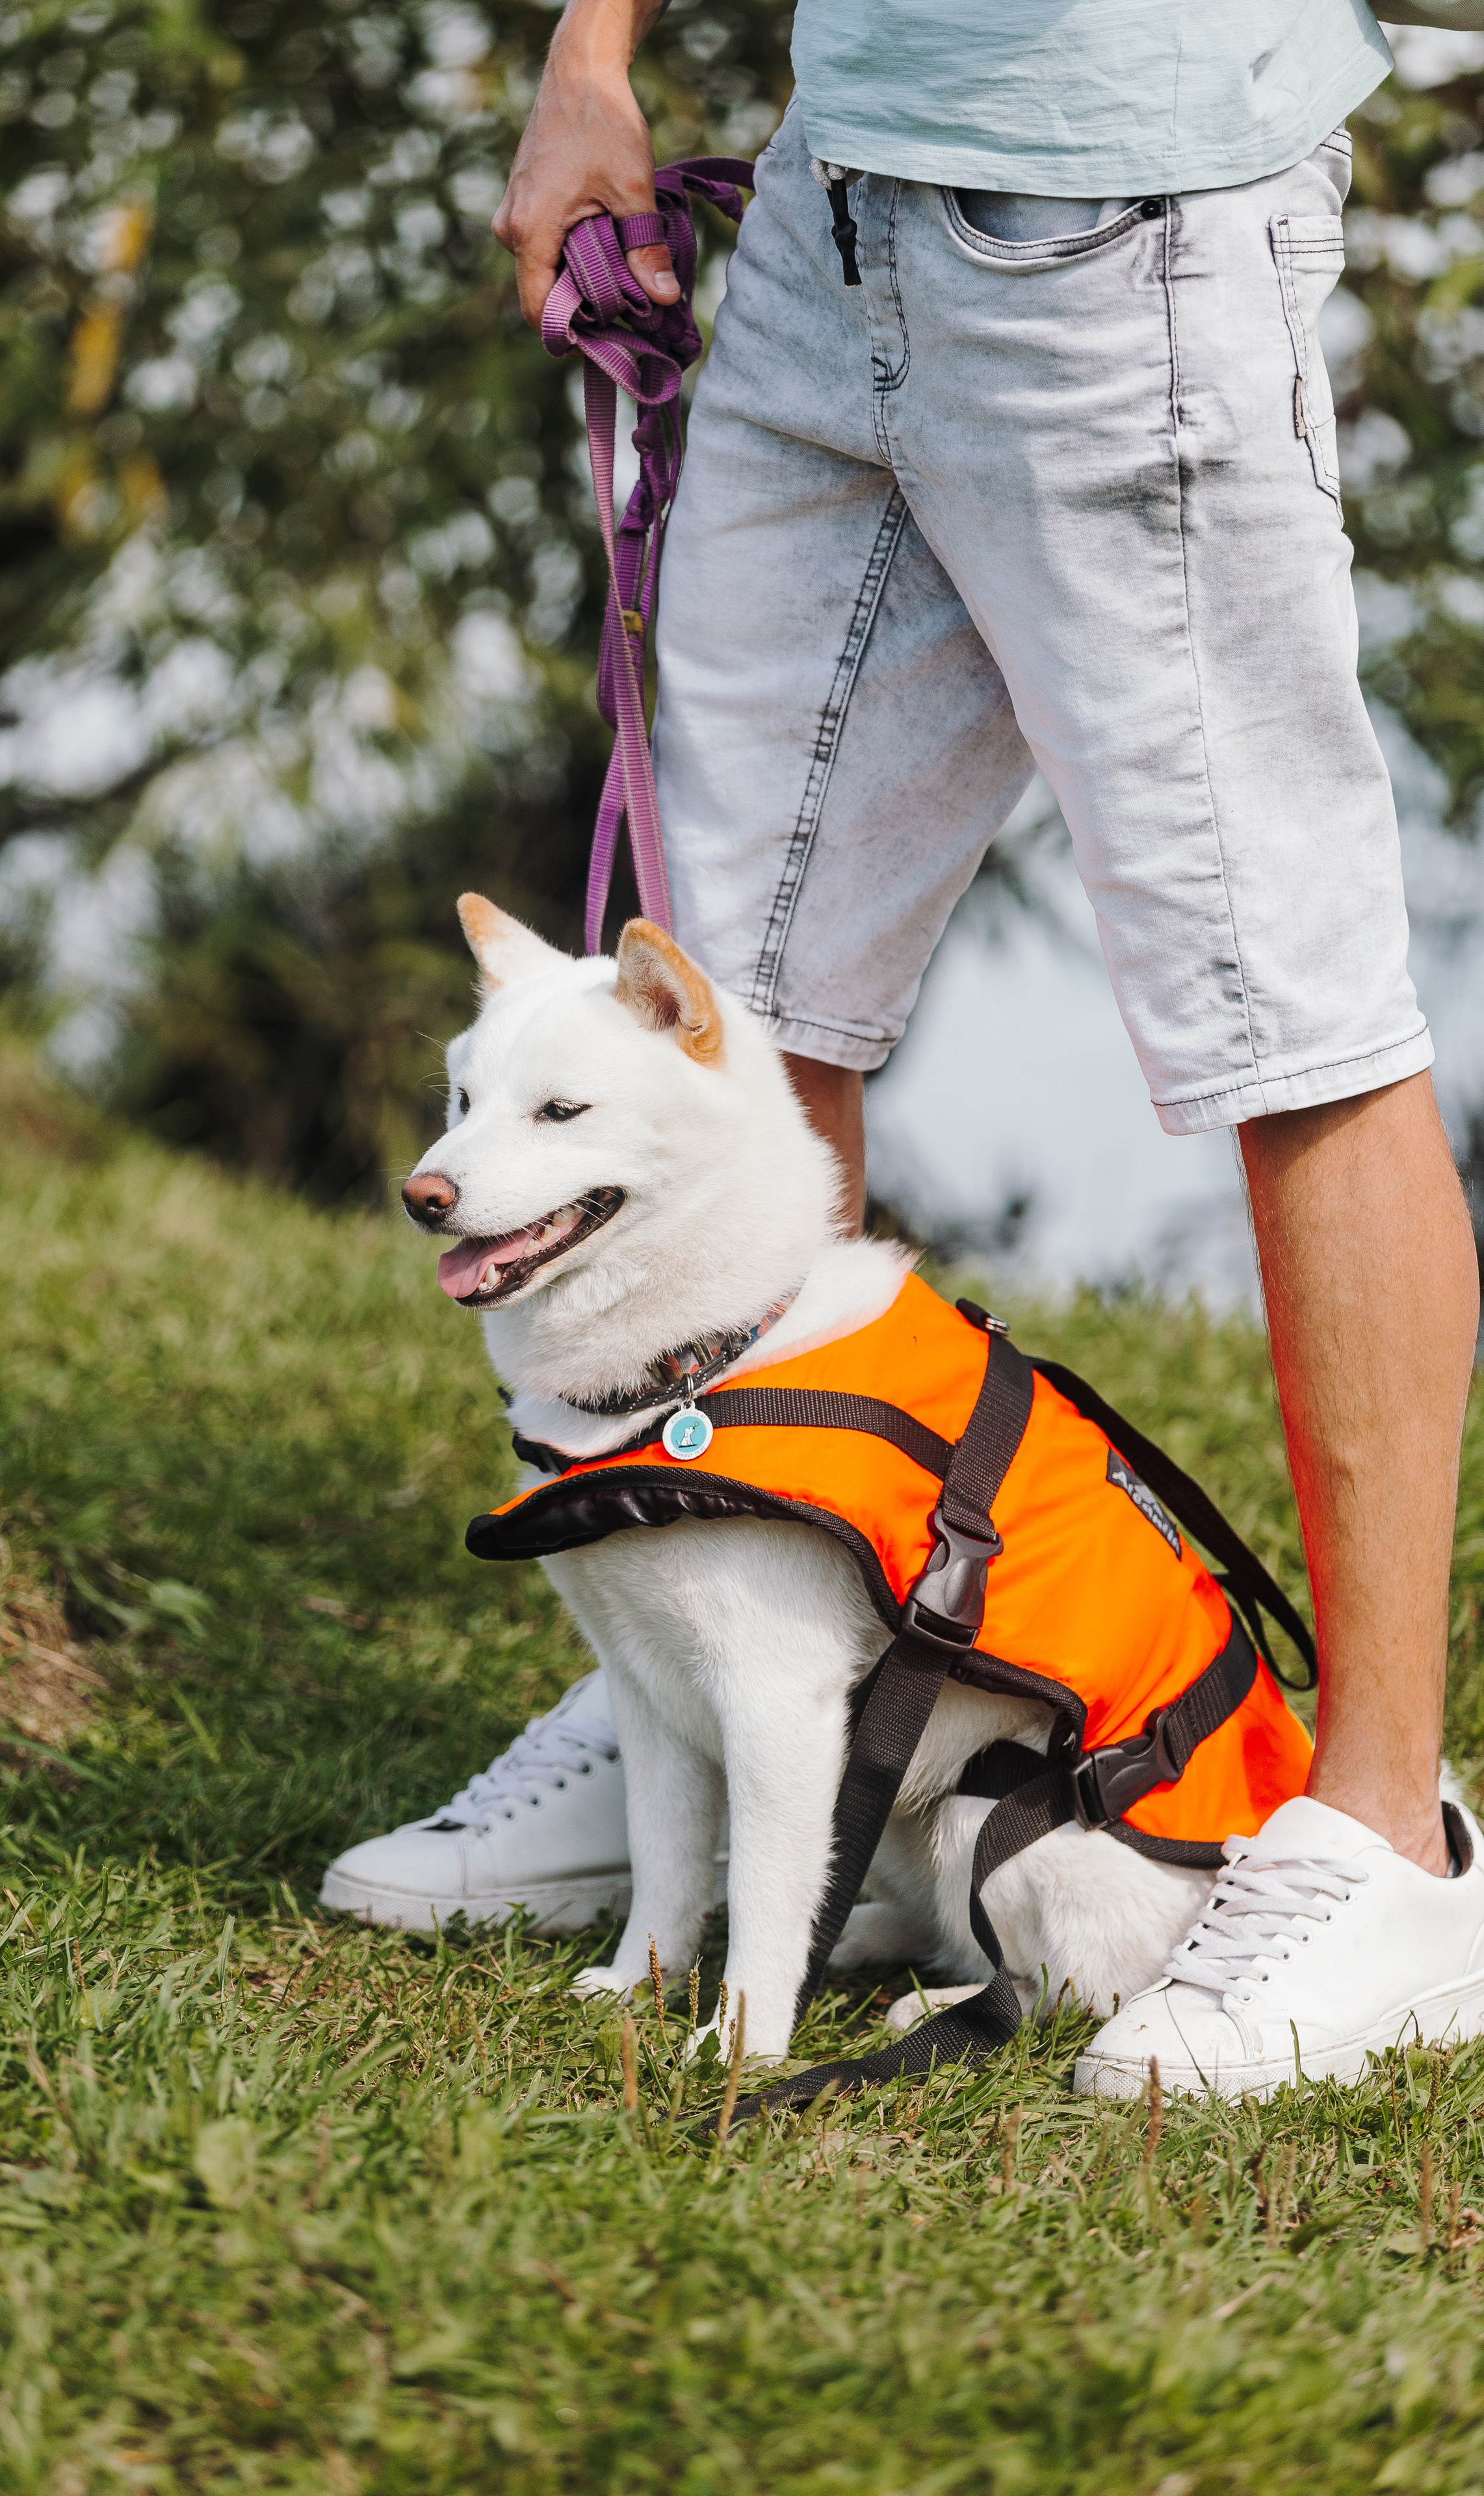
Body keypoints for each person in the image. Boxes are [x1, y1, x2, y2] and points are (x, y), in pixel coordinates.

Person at [324, 0, 1484, 2093]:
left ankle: (1382, 1827)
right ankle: (747, 1678)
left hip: (1135, 212)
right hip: (827, 207)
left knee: (1287, 1025)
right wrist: (593, 55)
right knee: (733, 1007)